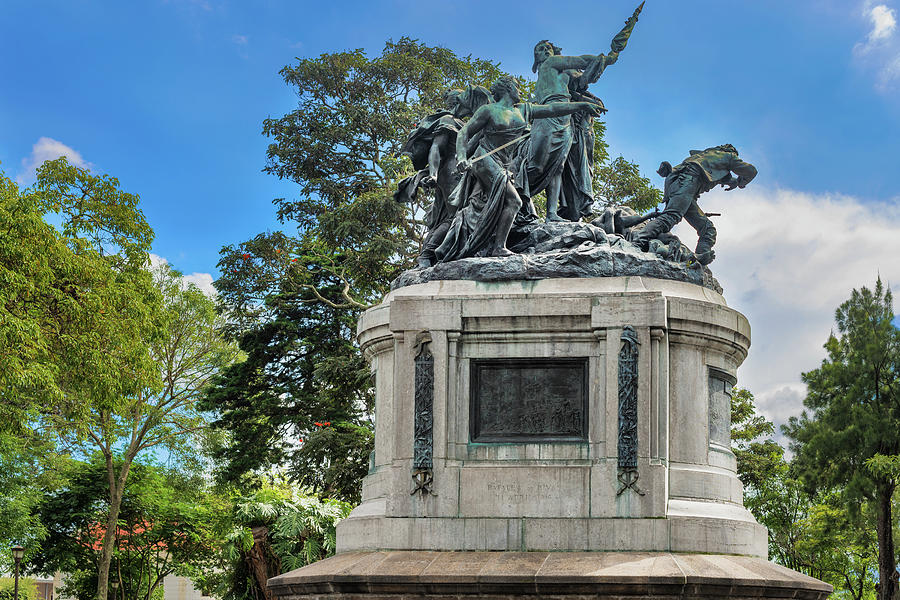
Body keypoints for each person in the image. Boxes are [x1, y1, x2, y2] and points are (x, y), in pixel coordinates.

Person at [435, 76, 604, 261]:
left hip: (506, 165)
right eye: (517, 87)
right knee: (514, 201)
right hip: (485, 160)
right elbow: (464, 133)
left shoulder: (523, 110)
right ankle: (499, 248)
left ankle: (449, 245)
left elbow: (552, 109)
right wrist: (461, 157)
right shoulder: (488, 110)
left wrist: (581, 106)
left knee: (482, 207)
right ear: (507, 89)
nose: (520, 91)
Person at [517, 40, 618, 222]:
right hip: (549, 114)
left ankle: (551, 214)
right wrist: (603, 58)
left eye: (548, 48)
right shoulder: (551, 64)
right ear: (537, 57)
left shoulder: (560, 72)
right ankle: (511, 193)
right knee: (537, 166)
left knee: (558, 167)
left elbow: (582, 80)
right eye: (540, 50)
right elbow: (580, 60)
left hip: (565, 117)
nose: (545, 51)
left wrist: (599, 65)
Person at [394, 86, 491, 267]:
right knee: (458, 215)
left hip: (469, 171)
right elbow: (436, 148)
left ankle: (450, 251)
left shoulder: (467, 123)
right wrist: (433, 174)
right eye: (464, 100)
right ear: (458, 102)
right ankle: (428, 254)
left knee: (466, 213)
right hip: (451, 172)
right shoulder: (448, 120)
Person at [633, 144, 757, 265]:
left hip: (680, 186)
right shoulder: (729, 156)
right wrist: (741, 182)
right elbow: (751, 171)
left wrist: (733, 182)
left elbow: (725, 178)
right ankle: (637, 242)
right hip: (687, 182)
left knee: (708, 229)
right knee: (671, 216)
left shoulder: (705, 156)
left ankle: (697, 260)